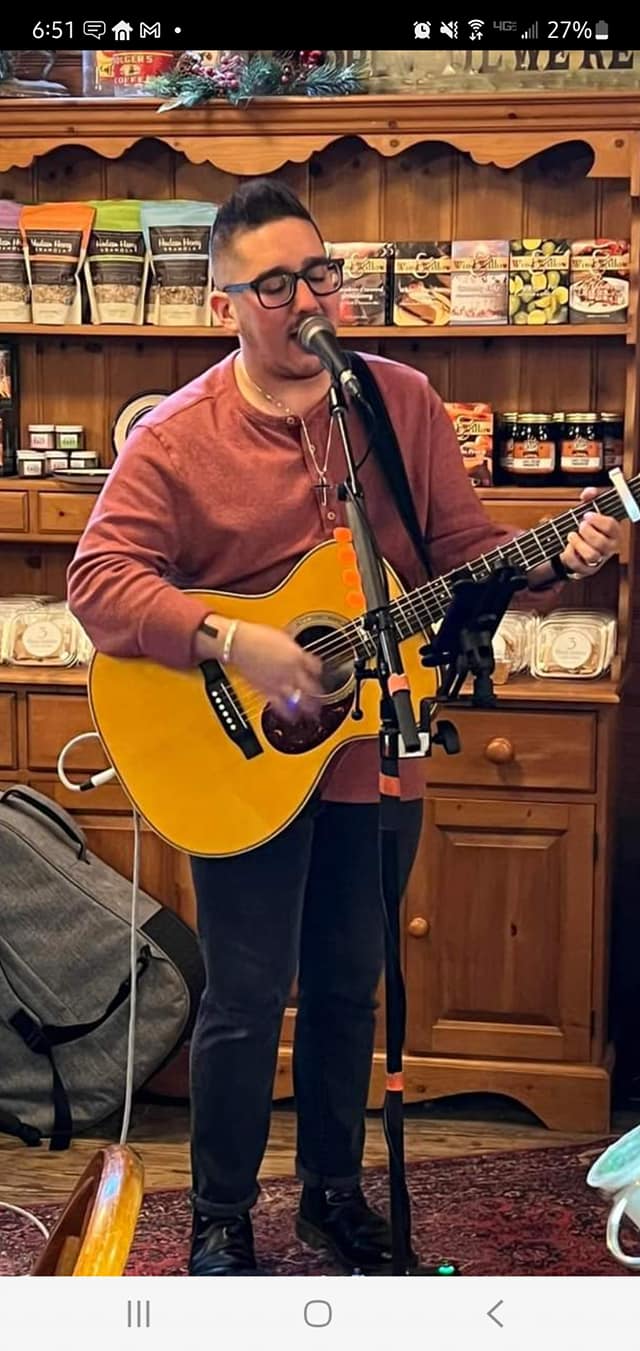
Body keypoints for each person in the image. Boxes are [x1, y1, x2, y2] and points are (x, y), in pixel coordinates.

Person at [67, 180, 622, 1276]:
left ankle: (332, 1196)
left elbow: (461, 554)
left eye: (319, 273)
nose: (309, 300)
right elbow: (98, 582)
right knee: (245, 995)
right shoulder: (177, 436)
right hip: (235, 761)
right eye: (275, 284)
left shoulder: (398, 401)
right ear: (226, 304)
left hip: (374, 746)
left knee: (347, 985)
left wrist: (554, 557)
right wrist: (235, 639)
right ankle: (221, 1218)